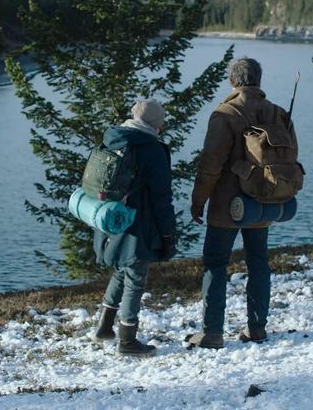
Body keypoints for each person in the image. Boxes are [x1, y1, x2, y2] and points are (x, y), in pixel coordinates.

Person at [186, 57, 298, 349]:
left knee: (215, 263)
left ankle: (212, 332)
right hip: (264, 200)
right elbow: (290, 157)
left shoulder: (225, 114)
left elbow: (210, 165)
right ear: (258, 80)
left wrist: (199, 200)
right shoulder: (279, 114)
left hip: (228, 205)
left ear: (232, 81)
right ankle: (257, 328)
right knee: (258, 262)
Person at [91, 99, 178, 356]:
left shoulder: (113, 139)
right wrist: (168, 235)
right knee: (135, 279)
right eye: (160, 122)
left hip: (111, 218)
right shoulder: (152, 149)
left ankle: (104, 328)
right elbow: (162, 198)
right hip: (139, 225)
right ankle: (127, 342)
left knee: (122, 269)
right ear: (154, 124)